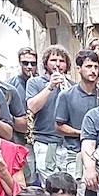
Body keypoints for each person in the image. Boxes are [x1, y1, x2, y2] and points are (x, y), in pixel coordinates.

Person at [54, 50, 99, 196]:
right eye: (88, 66)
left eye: (96, 67)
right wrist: (83, 134)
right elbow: (59, 126)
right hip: (74, 152)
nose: (93, 70)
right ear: (78, 68)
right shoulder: (67, 95)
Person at [27, 46, 72, 177]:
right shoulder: (35, 82)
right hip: (45, 144)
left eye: (62, 61)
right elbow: (32, 107)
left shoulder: (73, 86)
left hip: (68, 145)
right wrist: (50, 86)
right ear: (46, 63)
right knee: (50, 187)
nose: (58, 64)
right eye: (53, 60)